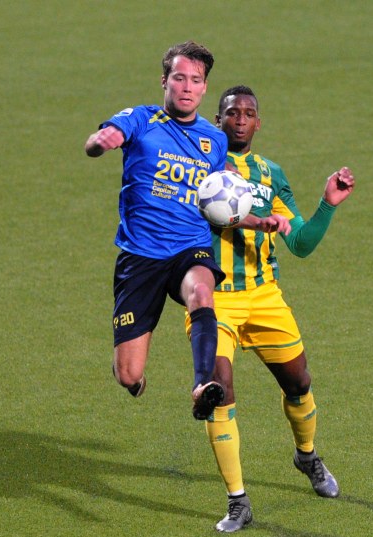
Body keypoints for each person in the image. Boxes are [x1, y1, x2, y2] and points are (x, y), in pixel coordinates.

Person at [185, 85, 356, 532]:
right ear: (217, 119)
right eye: (231, 112)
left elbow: (298, 242)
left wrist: (327, 205)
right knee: (218, 390)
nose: (240, 119)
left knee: (299, 382)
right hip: (212, 299)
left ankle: (307, 456)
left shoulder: (269, 173)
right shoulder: (199, 166)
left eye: (248, 113)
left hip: (264, 297)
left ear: (259, 123)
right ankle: (238, 501)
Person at [84, 41, 229, 420]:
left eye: (195, 80)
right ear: (164, 81)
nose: (186, 87)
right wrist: (103, 141)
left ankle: (202, 385)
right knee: (128, 373)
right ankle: (131, 376)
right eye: (179, 78)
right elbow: (95, 142)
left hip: (189, 247)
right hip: (141, 256)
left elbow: (216, 196)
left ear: (203, 88)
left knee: (202, 291)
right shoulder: (140, 119)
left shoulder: (215, 140)